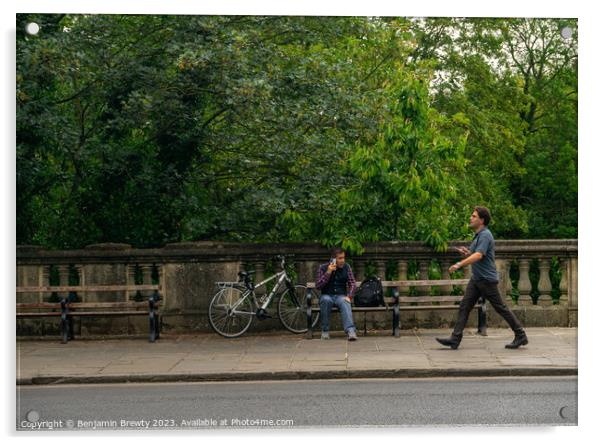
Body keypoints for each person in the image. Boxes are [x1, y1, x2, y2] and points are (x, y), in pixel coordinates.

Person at [436, 206, 529, 350]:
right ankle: (455, 339)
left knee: (500, 308)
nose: (470, 218)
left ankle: (520, 335)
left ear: (482, 220)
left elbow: (479, 255)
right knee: (465, 307)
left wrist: (459, 264)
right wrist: (467, 253)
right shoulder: (479, 236)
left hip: (486, 280)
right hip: (477, 279)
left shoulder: (485, 235)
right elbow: (477, 254)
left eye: (473, 216)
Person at [315, 247, 358, 341]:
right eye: (340, 258)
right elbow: (318, 286)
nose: (343, 260)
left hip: (340, 296)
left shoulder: (347, 267)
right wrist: (328, 272)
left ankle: (351, 331)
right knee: (326, 300)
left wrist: (349, 296)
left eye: (343, 258)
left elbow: (353, 284)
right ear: (333, 258)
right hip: (327, 295)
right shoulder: (323, 267)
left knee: (345, 301)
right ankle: (325, 332)